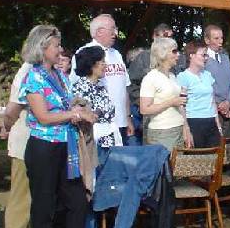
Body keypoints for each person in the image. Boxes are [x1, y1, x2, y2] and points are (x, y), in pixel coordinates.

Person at [20, 24, 102, 228]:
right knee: (44, 203)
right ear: (43, 47)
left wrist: (83, 113)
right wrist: (73, 114)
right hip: (43, 147)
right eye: (56, 45)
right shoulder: (33, 77)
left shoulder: (60, 76)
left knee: (78, 199)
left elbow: (68, 107)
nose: (60, 49)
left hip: (67, 145)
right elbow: (43, 117)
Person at [72, 45, 122, 228]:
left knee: (102, 188)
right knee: (90, 189)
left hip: (108, 141)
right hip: (92, 143)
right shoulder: (81, 87)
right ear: (92, 65)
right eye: (102, 62)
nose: (105, 65)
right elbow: (85, 116)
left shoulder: (100, 86)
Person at [70, 14, 132, 144]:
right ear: (99, 31)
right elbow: (76, 89)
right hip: (98, 130)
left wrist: (128, 117)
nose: (116, 33)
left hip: (120, 122)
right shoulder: (85, 53)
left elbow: (124, 87)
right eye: (112, 29)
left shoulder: (116, 54)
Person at [2, 46, 34, 228]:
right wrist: (7, 126)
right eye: (56, 45)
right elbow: (12, 110)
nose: (60, 49)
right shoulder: (26, 72)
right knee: (21, 198)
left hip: (39, 142)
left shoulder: (44, 71)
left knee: (36, 197)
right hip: (24, 141)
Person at [139, 37, 190, 151]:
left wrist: (186, 128)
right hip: (162, 132)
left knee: (178, 163)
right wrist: (171, 102)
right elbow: (144, 109)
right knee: (166, 163)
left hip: (178, 129)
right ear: (163, 53)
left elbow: (179, 105)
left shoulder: (172, 76)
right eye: (174, 51)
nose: (178, 55)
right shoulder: (151, 78)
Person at [128, 23, 174, 142]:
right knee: (152, 147)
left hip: (171, 113)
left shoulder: (174, 58)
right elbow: (132, 85)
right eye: (165, 36)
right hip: (149, 114)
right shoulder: (143, 58)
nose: (168, 40)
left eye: (170, 37)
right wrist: (142, 103)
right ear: (154, 36)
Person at [177, 40, 222, 147]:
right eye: (203, 55)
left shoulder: (208, 75)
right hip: (194, 121)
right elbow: (181, 105)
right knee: (197, 155)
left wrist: (218, 125)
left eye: (207, 55)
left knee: (215, 154)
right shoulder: (183, 77)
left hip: (211, 121)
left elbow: (212, 101)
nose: (206, 58)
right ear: (191, 56)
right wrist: (186, 129)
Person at [204, 24, 230, 135]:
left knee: (227, 142)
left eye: (221, 38)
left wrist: (228, 102)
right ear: (207, 40)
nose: (220, 41)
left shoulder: (225, 57)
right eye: (216, 38)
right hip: (212, 110)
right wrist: (219, 105)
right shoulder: (203, 60)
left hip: (228, 109)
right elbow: (205, 85)